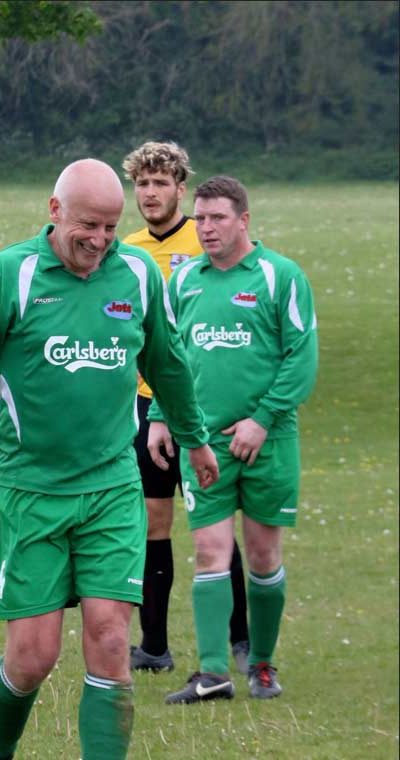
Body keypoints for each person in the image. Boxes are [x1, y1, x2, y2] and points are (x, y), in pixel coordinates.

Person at [0, 159, 219, 760]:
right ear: (54, 210)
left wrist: (194, 437)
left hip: (112, 489)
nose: (100, 240)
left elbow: (168, 364)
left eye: (112, 228)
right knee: (33, 657)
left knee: (112, 638)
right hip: (33, 493)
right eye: (89, 225)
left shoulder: (138, 276)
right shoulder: (10, 275)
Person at [147, 175, 318, 704]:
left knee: (263, 555)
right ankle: (213, 673)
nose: (206, 228)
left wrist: (261, 419)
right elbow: (167, 357)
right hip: (204, 444)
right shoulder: (183, 280)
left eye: (218, 217)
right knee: (209, 552)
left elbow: (302, 357)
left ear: (244, 220)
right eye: (200, 218)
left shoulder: (280, 276)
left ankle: (261, 665)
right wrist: (159, 414)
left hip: (269, 440)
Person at [121, 141, 250, 676]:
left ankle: (241, 640)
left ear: (181, 188)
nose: (150, 193)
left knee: (213, 525)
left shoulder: (209, 237)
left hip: (202, 411)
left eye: (161, 183)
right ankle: (154, 646)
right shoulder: (125, 250)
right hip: (146, 407)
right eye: (142, 184)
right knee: (153, 521)